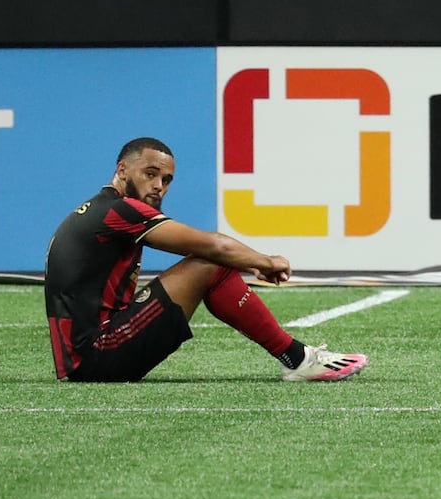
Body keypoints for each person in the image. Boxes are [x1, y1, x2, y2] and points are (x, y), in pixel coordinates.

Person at [44, 137, 368, 382]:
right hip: (98, 354)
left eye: (166, 179)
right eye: (150, 174)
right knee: (210, 263)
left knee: (210, 262)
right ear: (122, 170)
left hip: (86, 356)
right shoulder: (119, 211)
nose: (159, 186)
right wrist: (265, 261)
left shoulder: (97, 210)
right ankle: (299, 359)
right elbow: (214, 247)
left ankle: (297, 358)